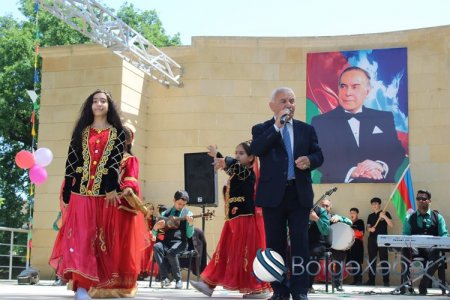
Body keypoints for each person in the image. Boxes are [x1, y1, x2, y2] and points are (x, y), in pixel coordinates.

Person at [49, 89, 126, 300]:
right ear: (90, 106)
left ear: (109, 106)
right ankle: (81, 287)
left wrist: (111, 188)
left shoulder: (118, 133)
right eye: (95, 101)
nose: (99, 104)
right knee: (80, 239)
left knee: (98, 240)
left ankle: (97, 285)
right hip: (80, 193)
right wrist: (66, 191)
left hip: (104, 196)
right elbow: (71, 161)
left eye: (103, 101)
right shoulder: (82, 131)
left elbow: (115, 161)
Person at [250, 87, 324, 300]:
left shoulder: (306, 129)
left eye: (292, 100)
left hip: (298, 194)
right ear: (272, 105)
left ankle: (300, 290)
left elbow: (318, 154)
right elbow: (257, 149)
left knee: (300, 244)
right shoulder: (261, 128)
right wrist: (276, 126)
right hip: (273, 195)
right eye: (283, 101)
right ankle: (280, 291)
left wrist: (310, 161)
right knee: (275, 244)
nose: (289, 105)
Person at [190, 143, 271, 299]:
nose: (237, 156)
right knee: (223, 252)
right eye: (236, 153)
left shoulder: (247, 172)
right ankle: (208, 284)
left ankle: (259, 289)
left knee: (247, 255)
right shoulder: (237, 172)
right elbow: (230, 167)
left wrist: (221, 156)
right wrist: (220, 158)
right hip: (233, 219)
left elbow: (233, 166)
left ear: (251, 158)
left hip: (245, 219)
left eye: (241, 153)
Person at [311, 66, 406, 183]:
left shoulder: (384, 118)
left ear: (367, 91)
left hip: (381, 189)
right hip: (336, 190)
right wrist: (351, 171)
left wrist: (379, 165)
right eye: (343, 86)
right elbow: (318, 157)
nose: (348, 93)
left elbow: (396, 151)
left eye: (355, 87)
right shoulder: (320, 122)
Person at [88, 125, 148, 297]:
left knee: (120, 244)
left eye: (124, 137)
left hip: (122, 206)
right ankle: (101, 283)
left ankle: (121, 286)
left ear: (129, 140)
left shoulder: (130, 159)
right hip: (105, 205)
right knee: (102, 241)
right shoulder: (105, 159)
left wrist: (128, 188)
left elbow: (131, 178)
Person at [399, 189, 448, 295]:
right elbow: (405, 236)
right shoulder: (409, 217)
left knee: (437, 252)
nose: (421, 200)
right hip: (415, 249)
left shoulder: (438, 217)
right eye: (418, 198)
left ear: (429, 201)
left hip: (431, 249)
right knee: (404, 251)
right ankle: (405, 285)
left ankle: (424, 284)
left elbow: (444, 234)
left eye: (424, 198)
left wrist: (442, 241)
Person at [152, 190, 194, 289]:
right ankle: (165, 278)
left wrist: (191, 224)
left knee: (171, 252)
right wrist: (155, 228)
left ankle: (178, 279)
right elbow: (158, 235)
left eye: (183, 205)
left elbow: (189, 235)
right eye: (179, 203)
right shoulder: (165, 213)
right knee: (156, 246)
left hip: (181, 243)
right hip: (166, 242)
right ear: (173, 200)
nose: (181, 206)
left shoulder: (188, 213)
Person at [320, 198, 352, 291]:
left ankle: (337, 284)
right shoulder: (316, 216)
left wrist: (340, 218)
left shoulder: (334, 216)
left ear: (330, 207)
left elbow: (349, 222)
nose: (325, 207)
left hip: (333, 244)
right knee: (312, 254)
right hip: (319, 243)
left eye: (327, 206)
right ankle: (309, 285)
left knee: (339, 254)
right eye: (323, 206)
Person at [366, 197, 393, 286]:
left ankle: (386, 281)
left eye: (376, 204)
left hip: (383, 239)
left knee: (384, 259)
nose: (374, 205)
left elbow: (391, 224)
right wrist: (370, 229)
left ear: (379, 205)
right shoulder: (370, 215)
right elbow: (367, 227)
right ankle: (371, 281)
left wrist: (384, 216)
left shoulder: (385, 213)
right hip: (372, 239)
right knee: (372, 260)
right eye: (373, 204)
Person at [307, 201, 330, 294]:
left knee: (313, 253)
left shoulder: (321, 211)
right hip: (301, 241)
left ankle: (308, 285)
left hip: (317, 243)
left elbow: (325, 231)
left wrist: (316, 219)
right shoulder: (296, 209)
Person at [346, 207, 365, 286]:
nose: (352, 214)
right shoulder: (348, 222)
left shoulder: (360, 222)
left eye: (353, 213)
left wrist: (353, 233)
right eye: (351, 213)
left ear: (357, 214)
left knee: (357, 262)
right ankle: (355, 279)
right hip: (349, 245)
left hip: (357, 244)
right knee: (352, 262)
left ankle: (359, 280)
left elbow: (361, 233)